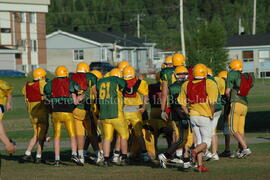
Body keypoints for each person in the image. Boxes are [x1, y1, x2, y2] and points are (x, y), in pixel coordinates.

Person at [179, 64, 218, 172]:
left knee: (199, 141)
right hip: (204, 115)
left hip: (193, 116)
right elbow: (212, 102)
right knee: (206, 142)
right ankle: (194, 152)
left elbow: (182, 103)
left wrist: (188, 113)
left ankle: (200, 165)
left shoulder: (186, 84)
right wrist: (211, 114)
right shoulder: (210, 83)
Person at [44, 66, 82, 166]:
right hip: (67, 111)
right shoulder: (71, 82)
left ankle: (57, 159)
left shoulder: (51, 83)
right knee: (72, 134)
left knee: (56, 136)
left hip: (55, 111)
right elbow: (77, 94)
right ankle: (74, 154)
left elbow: (46, 94)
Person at [158, 66, 193, 169]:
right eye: (180, 74)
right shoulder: (183, 85)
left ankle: (186, 160)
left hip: (175, 114)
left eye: (184, 73)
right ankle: (166, 155)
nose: (182, 76)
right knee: (185, 138)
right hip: (181, 114)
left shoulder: (172, 86)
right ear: (175, 75)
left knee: (182, 138)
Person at [96, 68, 129, 166]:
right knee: (124, 135)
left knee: (107, 137)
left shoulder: (101, 81)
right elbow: (125, 85)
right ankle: (124, 157)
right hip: (116, 114)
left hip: (104, 115)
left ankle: (106, 159)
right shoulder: (116, 80)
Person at [69, 62, 98, 165]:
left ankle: (80, 156)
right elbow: (95, 93)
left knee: (80, 134)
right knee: (92, 133)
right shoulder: (90, 77)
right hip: (87, 109)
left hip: (75, 109)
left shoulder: (72, 77)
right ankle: (99, 154)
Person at [226, 59, 254, 158]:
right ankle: (241, 151)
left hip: (236, 103)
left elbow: (227, 91)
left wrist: (227, 98)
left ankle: (245, 148)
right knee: (240, 130)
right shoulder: (245, 76)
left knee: (232, 129)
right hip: (244, 105)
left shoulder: (232, 74)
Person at [122, 66, 150, 162]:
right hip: (135, 111)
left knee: (123, 135)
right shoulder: (140, 83)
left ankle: (123, 154)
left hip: (124, 111)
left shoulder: (120, 82)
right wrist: (144, 107)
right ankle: (144, 154)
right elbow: (146, 96)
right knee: (138, 134)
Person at [22, 67, 49, 163]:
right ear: (41, 76)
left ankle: (28, 153)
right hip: (42, 114)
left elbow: (26, 99)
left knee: (36, 135)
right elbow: (48, 92)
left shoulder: (26, 86)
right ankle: (38, 156)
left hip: (32, 115)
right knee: (41, 135)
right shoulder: (42, 83)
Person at [203, 67, 223, 161]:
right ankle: (214, 153)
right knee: (213, 132)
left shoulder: (206, 81)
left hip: (211, 108)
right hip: (218, 107)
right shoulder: (215, 80)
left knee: (205, 131)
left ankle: (206, 152)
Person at [216, 71, 231, 157]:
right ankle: (229, 149)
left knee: (228, 130)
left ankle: (227, 149)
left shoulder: (227, 90)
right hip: (232, 110)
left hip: (229, 111)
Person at [0, 80, 15, 154]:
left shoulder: (1, 83)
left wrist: (8, 103)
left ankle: (9, 145)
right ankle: (9, 143)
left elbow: (9, 93)